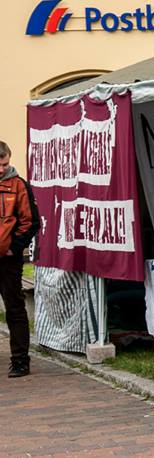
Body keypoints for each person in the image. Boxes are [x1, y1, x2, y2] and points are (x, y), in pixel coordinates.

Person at [0, 140, 39, 377]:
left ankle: (20, 361)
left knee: (14, 308)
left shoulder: (18, 185)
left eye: (5, 164)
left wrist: (14, 248)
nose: (2, 169)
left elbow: (31, 222)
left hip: (8, 259)